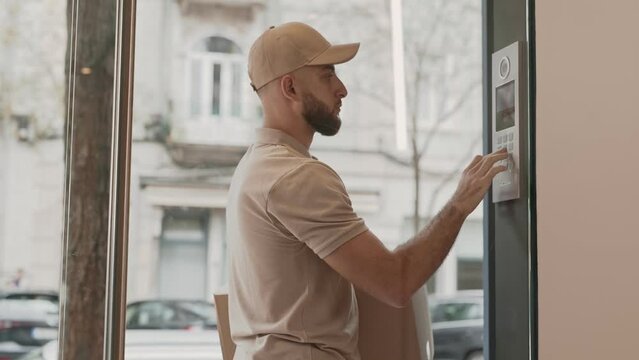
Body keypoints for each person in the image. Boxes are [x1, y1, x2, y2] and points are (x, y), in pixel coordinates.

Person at [226, 22, 508, 360]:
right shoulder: (296, 177)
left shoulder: (254, 168)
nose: (342, 89)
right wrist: (459, 205)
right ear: (290, 88)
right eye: (327, 76)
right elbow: (397, 281)